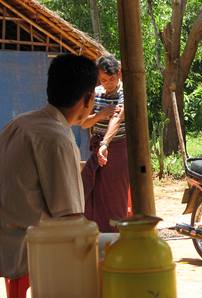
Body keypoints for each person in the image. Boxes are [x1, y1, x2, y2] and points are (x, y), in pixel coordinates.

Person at [0, 54, 98, 295]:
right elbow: (71, 218)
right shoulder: (58, 138)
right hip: (33, 255)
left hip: (8, 245)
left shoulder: (20, 124)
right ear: (87, 99)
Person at [81, 54, 130, 232]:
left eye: (111, 79)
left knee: (114, 197)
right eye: (103, 79)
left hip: (117, 150)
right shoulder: (96, 93)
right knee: (86, 189)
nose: (108, 83)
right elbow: (84, 122)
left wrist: (105, 144)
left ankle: (115, 238)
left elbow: (116, 120)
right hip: (98, 150)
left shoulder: (126, 93)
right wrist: (101, 114)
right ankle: (93, 232)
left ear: (119, 74)